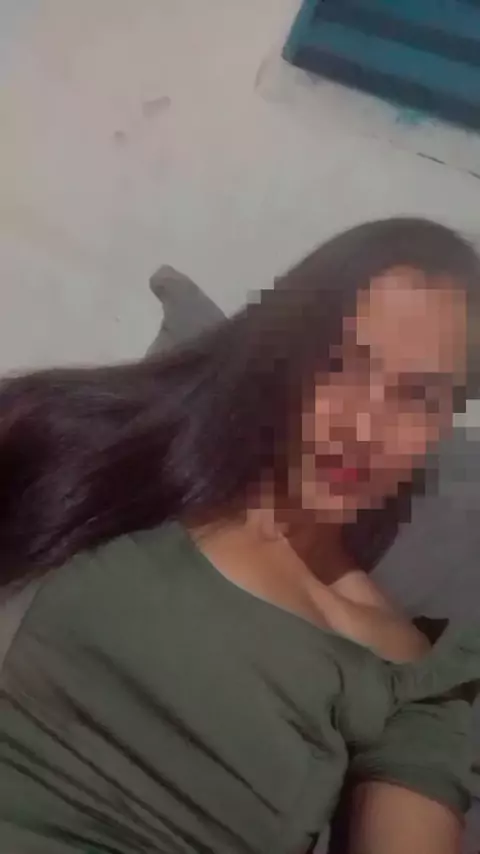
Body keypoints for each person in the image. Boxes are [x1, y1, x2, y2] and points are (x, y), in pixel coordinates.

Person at [0, 217, 479, 854]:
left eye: (416, 397)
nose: (364, 428)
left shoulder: (405, 673)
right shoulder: (116, 467)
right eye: (340, 365)